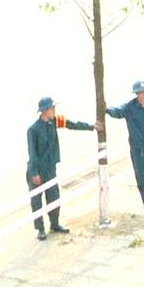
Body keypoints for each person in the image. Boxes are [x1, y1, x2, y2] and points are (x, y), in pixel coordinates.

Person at [25, 97, 94, 241]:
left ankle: (54, 224)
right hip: (37, 171)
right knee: (37, 202)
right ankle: (40, 229)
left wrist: (91, 127)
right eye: (52, 108)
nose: (54, 111)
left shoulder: (54, 121)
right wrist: (34, 173)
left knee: (54, 197)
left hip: (50, 169)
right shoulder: (33, 130)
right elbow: (32, 153)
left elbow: (72, 124)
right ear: (44, 111)